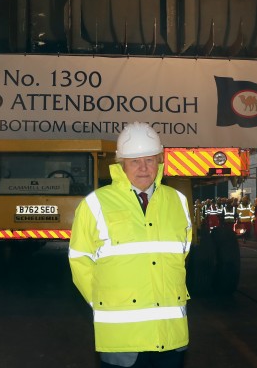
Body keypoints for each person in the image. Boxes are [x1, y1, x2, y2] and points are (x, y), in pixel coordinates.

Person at [69, 122, 192, 368]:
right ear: (121, 163)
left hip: (170, 336)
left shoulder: (177, 201)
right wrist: (105, 302)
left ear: (159, 160)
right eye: (135, 161)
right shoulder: (95, 204)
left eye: (149, 159)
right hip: (122, 339)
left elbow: (182, 252)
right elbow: (79, 260)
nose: (144, 168)